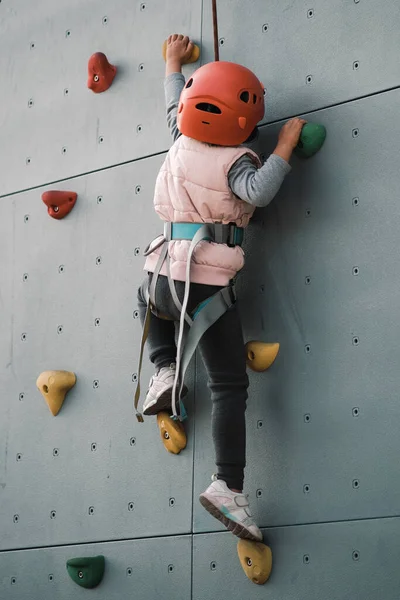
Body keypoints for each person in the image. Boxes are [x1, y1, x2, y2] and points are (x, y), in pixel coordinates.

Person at [137, 34, 306, 541]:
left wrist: (171, 61)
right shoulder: (238, 162)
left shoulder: (179, 140)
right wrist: (283, 148)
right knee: (229, 384)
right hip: (205, 285)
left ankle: (164, 369)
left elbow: (173, 105)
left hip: (160, 273)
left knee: (145, 306)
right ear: (242, 124)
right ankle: (227, 485)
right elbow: (259, 192)